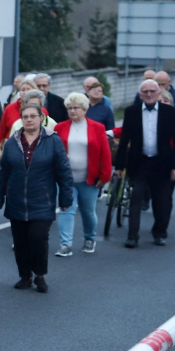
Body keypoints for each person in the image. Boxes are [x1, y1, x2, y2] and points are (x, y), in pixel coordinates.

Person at [0, 100, 73, 293]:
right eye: (25, 117)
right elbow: (3, 171)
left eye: (33, 116)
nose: (29, 120)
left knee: (38, 238)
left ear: (41, 119)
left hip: (42, 200)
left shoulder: (53, 141)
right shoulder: (12, 143)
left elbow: (64, 171)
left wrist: (65, 198)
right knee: (20, 241)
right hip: (16, 200)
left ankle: (39, 274)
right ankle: (25, 276)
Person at [114, 79, 175, 249]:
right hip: (139, 163)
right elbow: (124, 140)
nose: (149, 94)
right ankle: (132, 236)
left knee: (161, 202)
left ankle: (159, 232)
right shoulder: (132, 112)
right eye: (145, 91)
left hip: (162, 163)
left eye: (153, 91)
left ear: (159, 93)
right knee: (136, 198)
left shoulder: (169, 112)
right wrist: (119, 166)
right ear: (140, 95)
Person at [54, 93, 112, 257]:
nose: (72, 111)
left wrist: (105, 176)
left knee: (87, 211)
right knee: (66, 209)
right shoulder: (60, 127)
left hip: (89, 179)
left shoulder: (97, 127)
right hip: (66, 179)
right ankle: (65, 244)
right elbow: (55, 149)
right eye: (69, 108)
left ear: (85, 109)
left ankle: (89, 238)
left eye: (76, 108)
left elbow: (105, 154)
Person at [0, 77, 39, 157]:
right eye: (22, 90)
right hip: (11, 151)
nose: (25, 92)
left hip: (35, 152)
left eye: (28, 89)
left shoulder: (42, 111)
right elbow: (2, 132)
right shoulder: (10, 108)